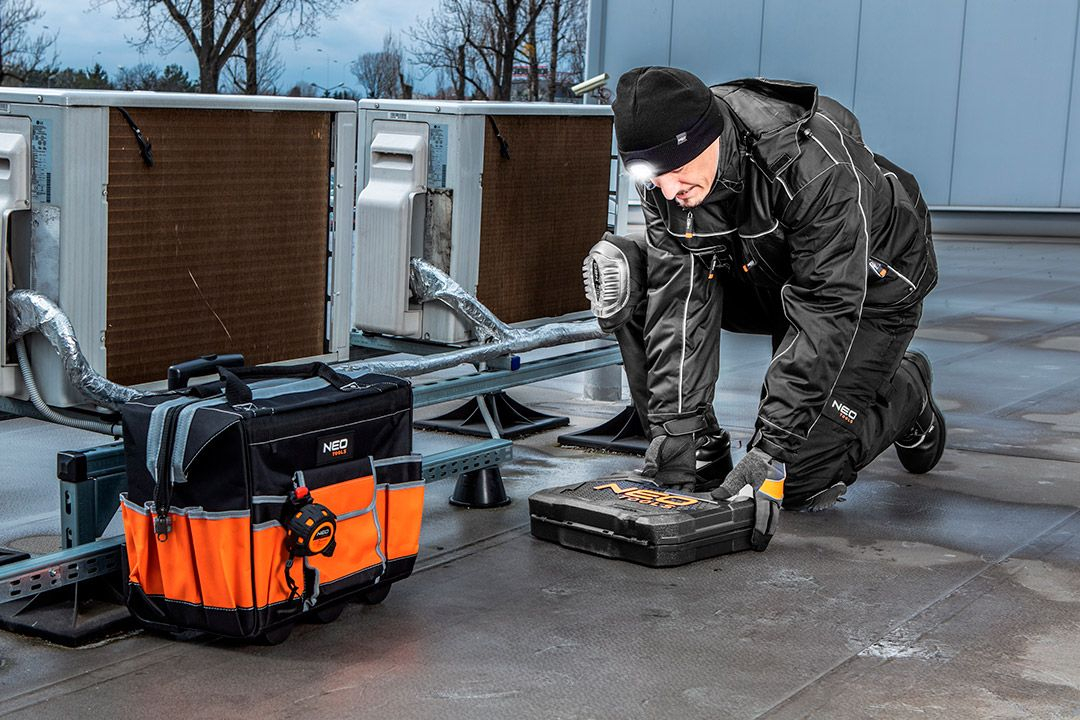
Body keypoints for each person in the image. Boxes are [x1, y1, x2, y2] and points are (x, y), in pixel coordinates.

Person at [583, 66, 945, 519]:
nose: (668, 190)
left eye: (677, 170)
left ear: (708, 138)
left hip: (870, 289)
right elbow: (678, 297)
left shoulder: (813, 167)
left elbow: (825, 307)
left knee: (795, 479)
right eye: (655, 177)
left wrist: (772, 444)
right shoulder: (665, 176)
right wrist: (677, 426)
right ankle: (701, 446)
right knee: (634, 271)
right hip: (767, 273)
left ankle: (910, 389)